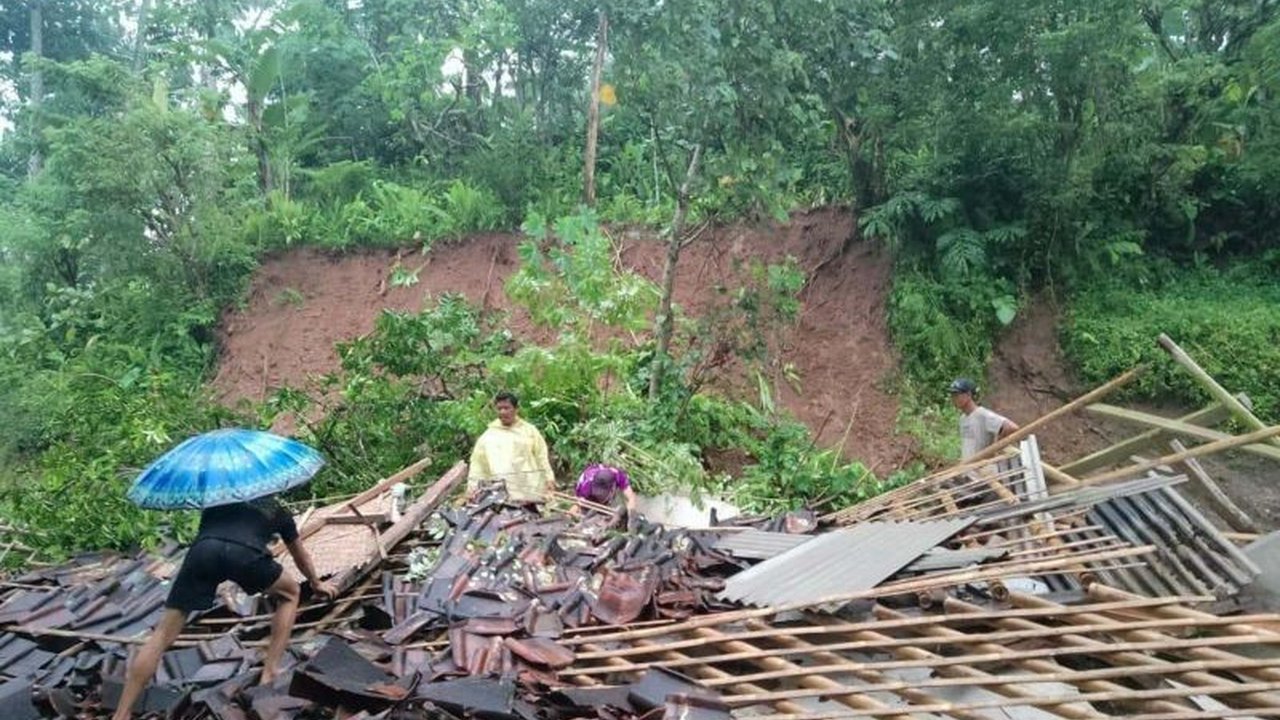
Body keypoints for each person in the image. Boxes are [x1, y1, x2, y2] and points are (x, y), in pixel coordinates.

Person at [112, 497, 336, 720]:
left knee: (161, 635)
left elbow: (213, 535)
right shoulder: (276, 509)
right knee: (290, 593)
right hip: (244, 553)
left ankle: (122, 714)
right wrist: (316, 582)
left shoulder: (216, 501)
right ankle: (270, 673)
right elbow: (300, 555)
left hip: (202, 552)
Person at [467, 391, 555, 503]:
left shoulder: (529, 431)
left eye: (506, 408)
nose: (503, 412)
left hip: (530, 489)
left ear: (516, 409)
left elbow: (541, 456)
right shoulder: (488, 436)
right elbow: (478, 465)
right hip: (502, 493)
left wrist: (549, 478)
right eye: (499, 409)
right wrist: (472, 488)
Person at [949, 378, 1019, 459]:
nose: (954, 398)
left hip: (984, 468)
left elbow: (1011, 427)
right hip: (968, 468)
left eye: (957, 395)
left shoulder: (982, 414)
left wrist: (997, 447)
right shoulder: (963, 419)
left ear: (968, 395)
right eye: (952, 395)